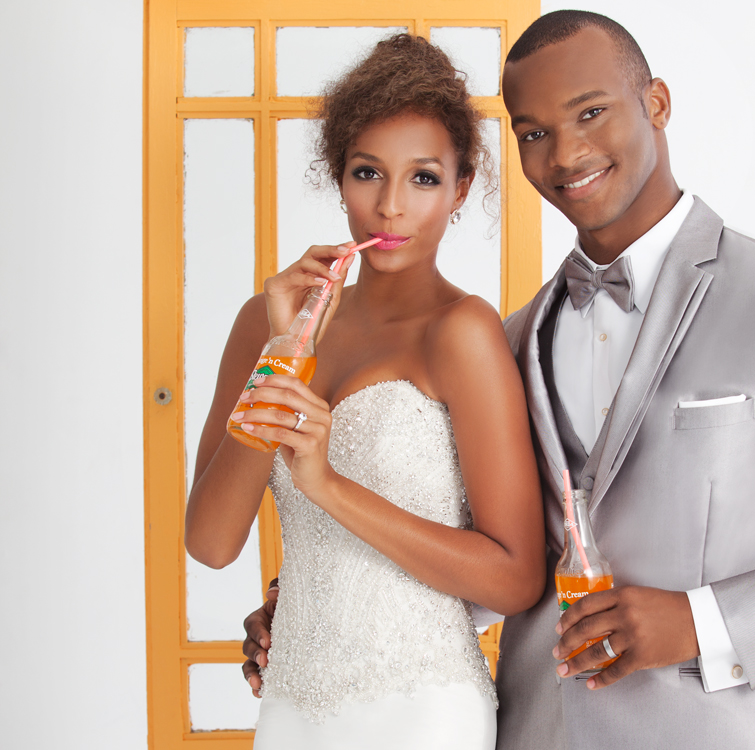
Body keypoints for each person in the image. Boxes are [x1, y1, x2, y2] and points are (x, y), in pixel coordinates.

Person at [243, 12, 755, 749]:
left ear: (657, 103)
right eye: (534, 133)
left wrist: (700, 623)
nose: (566, 153)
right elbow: (493, 562)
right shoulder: (508, 338)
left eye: (590, 113)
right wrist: (313, 612)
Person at [185, 33, 545, 750]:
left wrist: (326, 484)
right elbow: (211, 542)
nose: (390, 207)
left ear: (461, 188)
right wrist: (286, 354)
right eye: (367, 172)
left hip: (423, 710)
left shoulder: (462, 331)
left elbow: (514, 579)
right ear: (338, 176)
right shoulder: (266, 324)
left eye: (423, 178)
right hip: (292, 706)